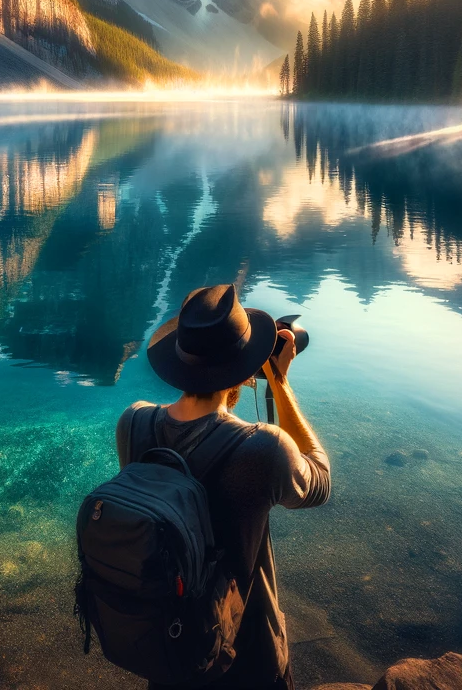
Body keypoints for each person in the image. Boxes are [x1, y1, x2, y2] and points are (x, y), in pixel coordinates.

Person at [116, 284, 331, 690]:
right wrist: (279, 383)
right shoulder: (263, 448)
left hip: (170, 650)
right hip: (247, 660)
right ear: (244, 369)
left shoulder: (133, 423)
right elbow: (319, 482)